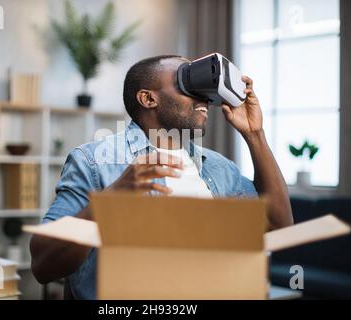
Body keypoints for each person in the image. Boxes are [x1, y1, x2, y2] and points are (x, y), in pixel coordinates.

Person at [30, 55, 293, 299]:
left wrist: (255, 134)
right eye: (187, 81)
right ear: (148, 99)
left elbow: (277, 226)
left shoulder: (217, 167)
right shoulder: (95, 160)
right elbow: (43, 264)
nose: (202, 96)